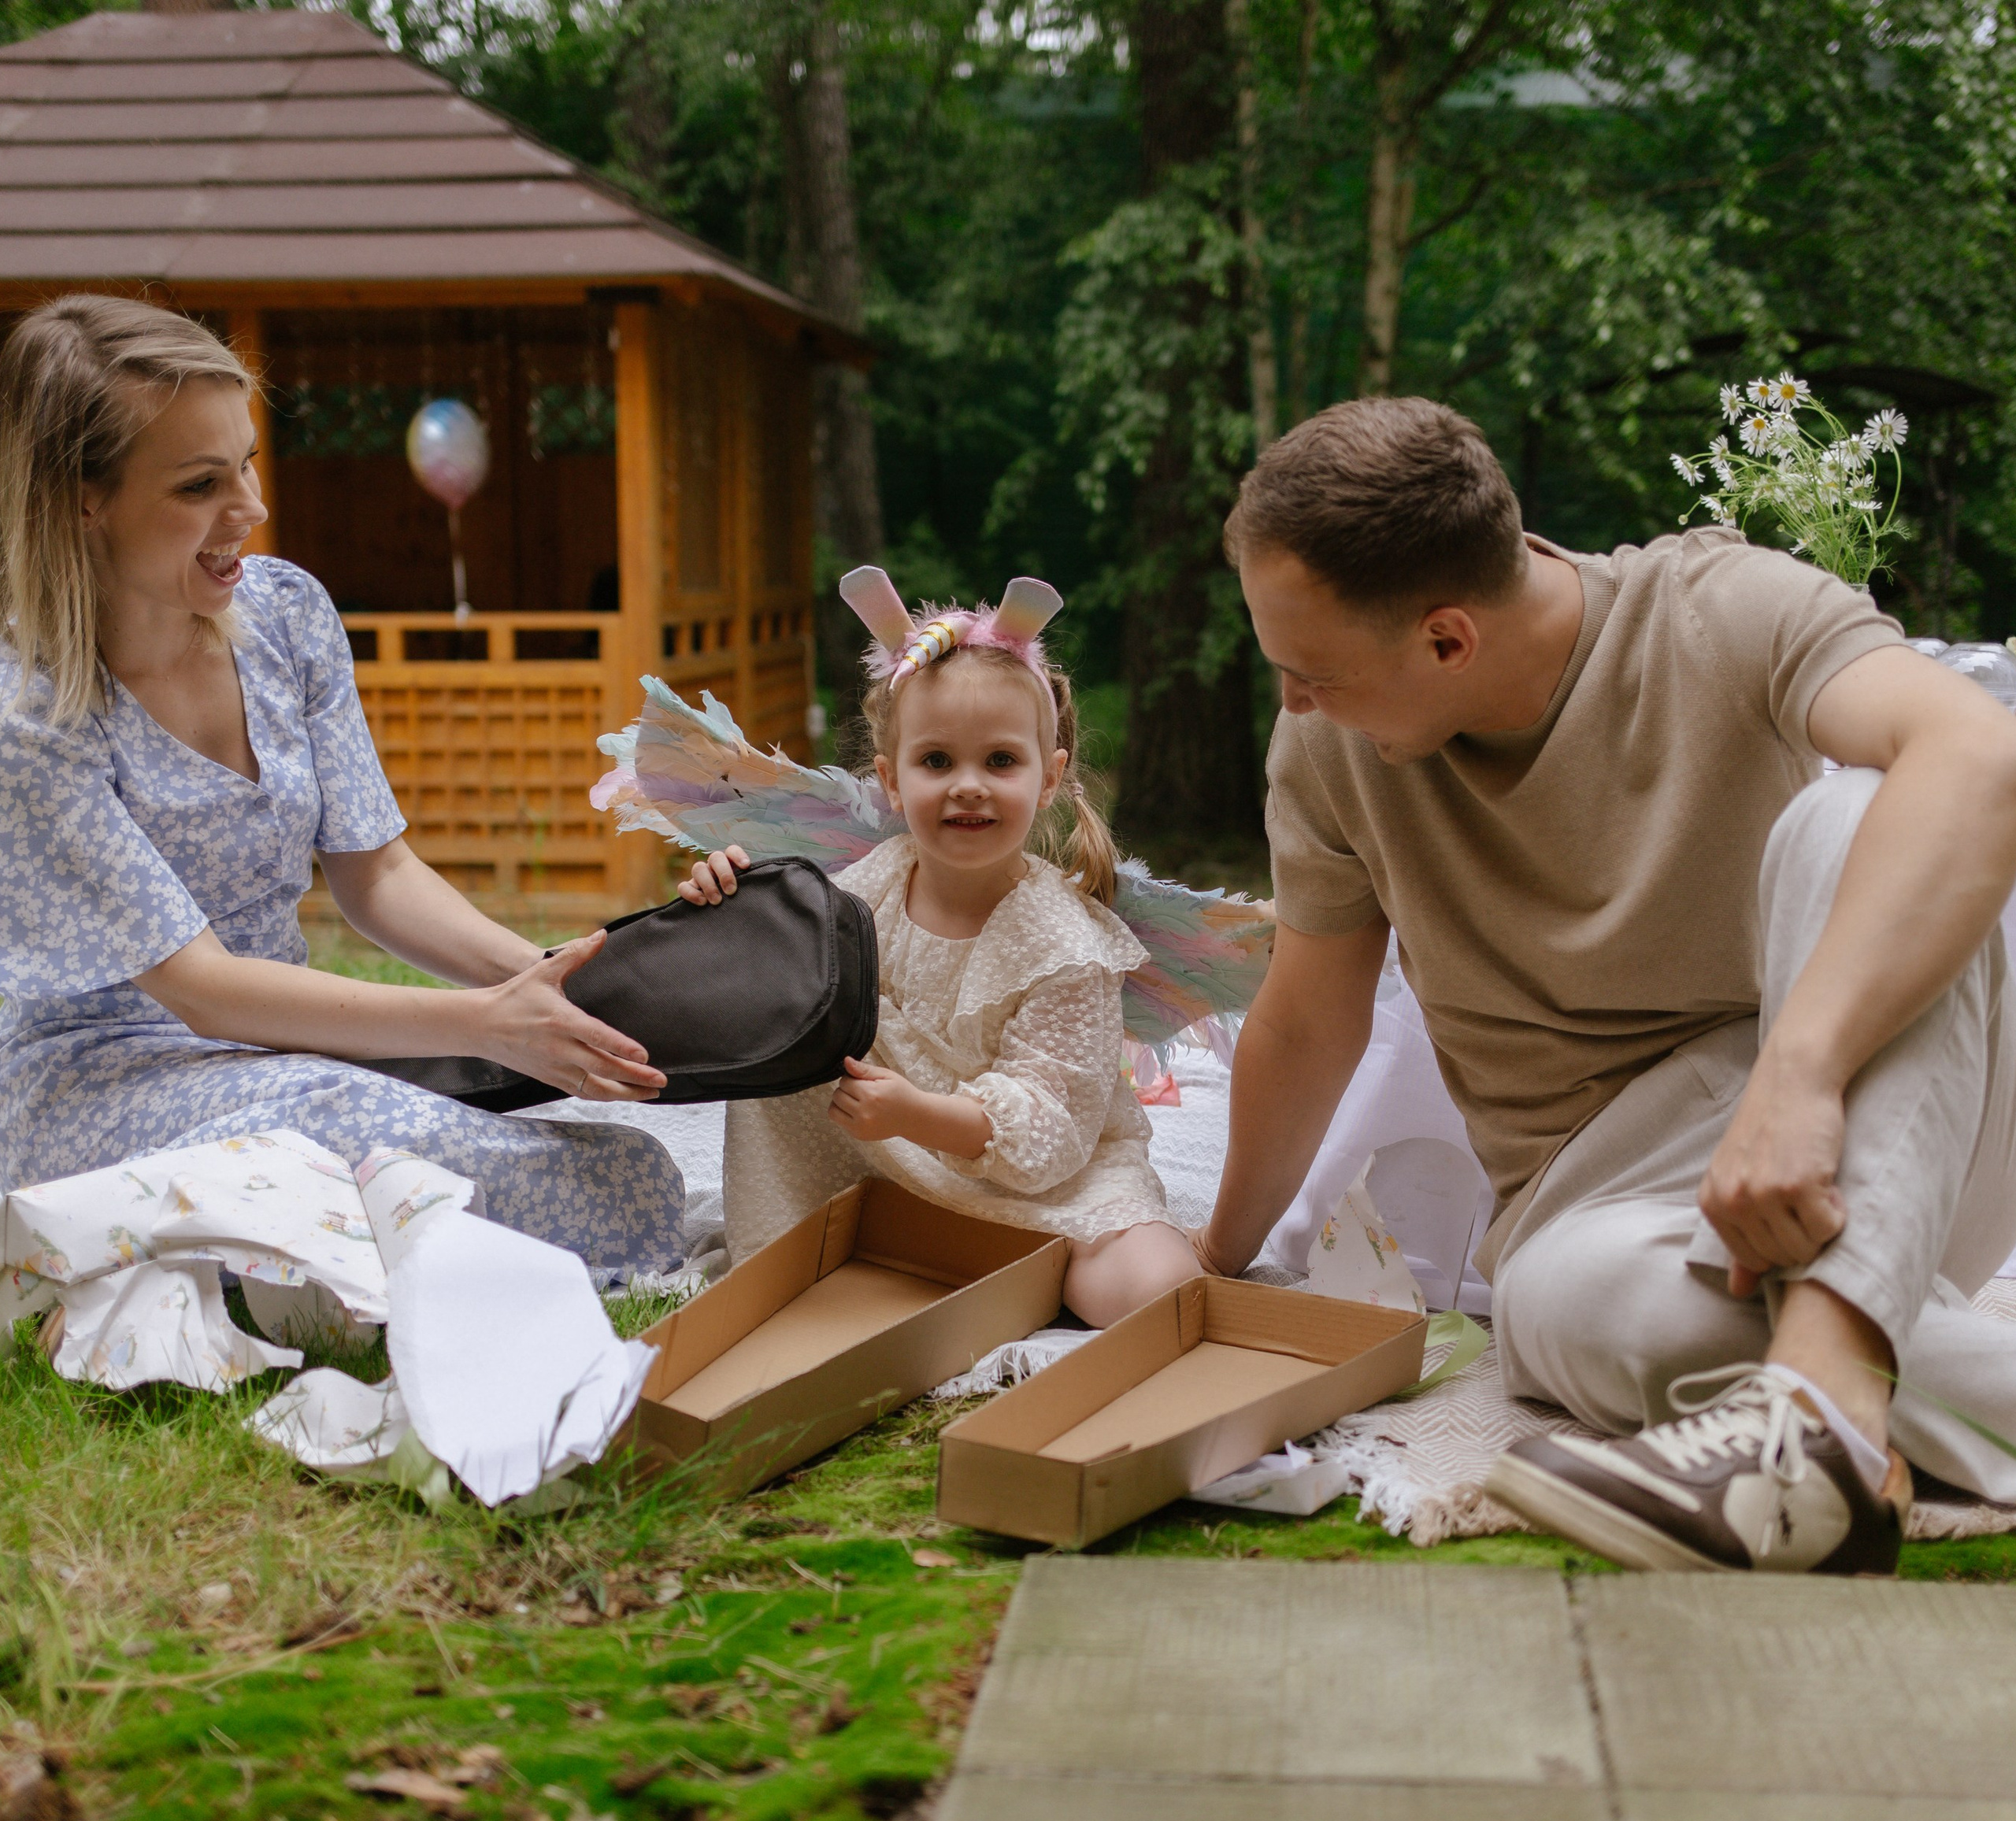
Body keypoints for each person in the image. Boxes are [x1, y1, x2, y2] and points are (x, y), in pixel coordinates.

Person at [1195, 395, 2016, 1575]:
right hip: (1602, 1207)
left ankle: (1816, 1405)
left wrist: (1797, 1081)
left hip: (1863, 1126)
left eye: (1310, 671)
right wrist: (1213, 1260)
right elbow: (1306, 1021)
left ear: (1446, 640)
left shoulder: (1723, 609)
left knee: (1862, 811)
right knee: (1562, 1308)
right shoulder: (1329, 755)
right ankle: (1830, 1402)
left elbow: (1981, 752)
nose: (1294, 701)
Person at [0, 294, 736, 1274]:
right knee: (384, 1127)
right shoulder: (29, 718)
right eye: (200, 484)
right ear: (81, 500)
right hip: (96, 1085)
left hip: (282, 1048)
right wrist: (483, 1024)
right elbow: (204, 990)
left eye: (246, 463)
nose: (251, 508)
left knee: (608, 1157)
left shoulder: (287, 614)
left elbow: (378, 875)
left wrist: (557, 983)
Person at [699, 570, 1203, 1326]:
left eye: (1000, 761)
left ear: (1050, 778)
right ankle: (880, 1246)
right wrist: (725, 899)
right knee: (783, 1025)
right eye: (937, 762)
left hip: (1041, 1183)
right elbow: (769, 976)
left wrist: (919, 1115)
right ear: (892, 782)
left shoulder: (1065, 944)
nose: (969, 786)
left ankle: (1032, 1262)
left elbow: (1052, 1133)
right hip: (889, 1166)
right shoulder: (865, 892)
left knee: (1157, 1287)